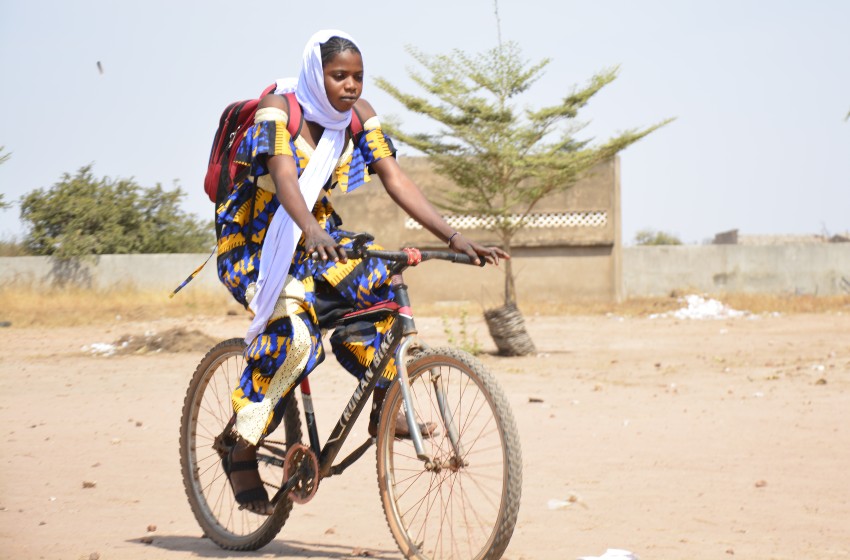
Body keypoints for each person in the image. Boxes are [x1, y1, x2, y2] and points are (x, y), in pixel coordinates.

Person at [215, 29, 508, 514]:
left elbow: (396, 178)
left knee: (380, 289)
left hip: (317, 237)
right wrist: (308, 228)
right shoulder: (276, 111)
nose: (350, 86)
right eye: (338, 76)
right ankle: (239, 446)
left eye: (357, 76)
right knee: (295, 338)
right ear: (316, 73)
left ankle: (385, 402)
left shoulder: (358, 118)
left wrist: (454, 237)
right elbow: (285, 176)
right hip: (255, 241)